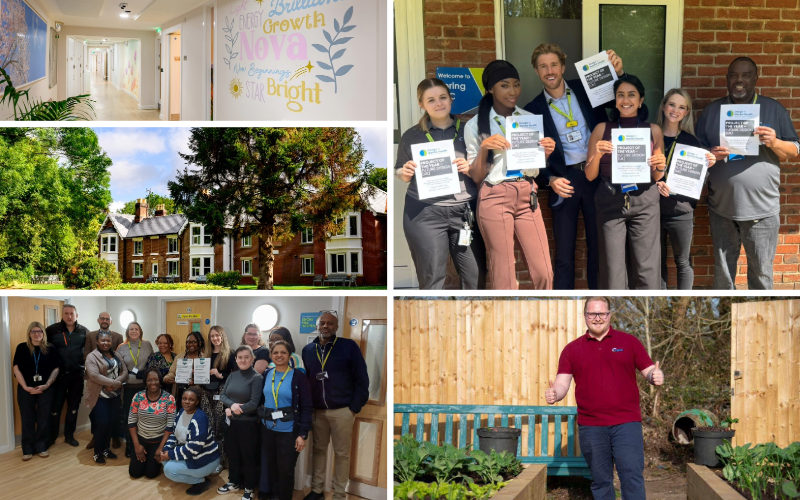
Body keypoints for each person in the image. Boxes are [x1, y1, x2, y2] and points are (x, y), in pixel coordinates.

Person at [523, 45, 625, 290]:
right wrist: (550, 180)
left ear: (563, 67)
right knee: (564, 252)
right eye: (544, 66)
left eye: (554, 65)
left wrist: (618, 75)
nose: (550, 71)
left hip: (595, 175)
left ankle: (599, 297)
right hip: (564, 181)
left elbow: (621, 101)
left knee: (598, 247)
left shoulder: (584, 89)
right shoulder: (531, 110)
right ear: (536, 71)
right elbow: (531, 158)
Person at [695, 56, 800, 289]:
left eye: (745, 75)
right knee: (723, 278)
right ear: (727, 79)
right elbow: (696, 154)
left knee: (761, 276)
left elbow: (794, 151)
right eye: (733, 75)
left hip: (762, 211)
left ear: (756, 78)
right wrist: (710, 153)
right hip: (722, 210)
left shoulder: (774, 109)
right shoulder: (712, 112)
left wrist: (773, 141)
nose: (739, 80)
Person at [546, 297, 664, 500]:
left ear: (609, 315)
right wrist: (555, 393)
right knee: (601, 481)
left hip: (626, 424)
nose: (597, 318)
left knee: (632, 477)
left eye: (602, 313)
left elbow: (648, 370)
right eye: (592, 314)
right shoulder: (572, 350)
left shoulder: (629, 342)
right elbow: (562, 383)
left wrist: (655, 375)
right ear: (585, 316)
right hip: (591, 426)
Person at [465, 59, 555, 290]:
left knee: (544, 271)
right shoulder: (475, 125)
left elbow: (533, 168)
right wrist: (485, 147)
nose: (512, 91)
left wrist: (545, 154)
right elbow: (476, 177)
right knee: (504, 276)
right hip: (494, 195)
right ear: (490, 89)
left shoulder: (528, 119)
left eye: (516, 84)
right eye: (504, 85)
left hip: (527, 195)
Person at [396, 77, 486, 289]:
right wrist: (404, 172)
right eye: (431, 100)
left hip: (465, 212)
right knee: (432, 279)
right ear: (422, 105)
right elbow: (400, 170)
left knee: (475, 278)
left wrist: (471, 167)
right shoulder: (411, 136)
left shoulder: (469, 130)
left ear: (450, 99)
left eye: (443, 97)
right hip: (424, 214)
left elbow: (485, 169)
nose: (439, 103)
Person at [585, 75, 667, 290]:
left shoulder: (654, 130)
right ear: (615, 100)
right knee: (612, 272)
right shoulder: (602, 129)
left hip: (645, 202)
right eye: (620, 95)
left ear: (641, 100)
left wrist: (660, 164)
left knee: (647, 270)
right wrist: (597, 153)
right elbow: (590, 175)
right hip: (610, 201)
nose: (625, 100)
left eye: (631, 95)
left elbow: (657, 176)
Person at [301, 312, 369, 500]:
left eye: (330, 323)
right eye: (322, 323)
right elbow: (306, 381)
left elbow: (362, 379)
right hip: (317, 412)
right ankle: (317, 490)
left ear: (336, 327)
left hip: (342, 411)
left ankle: (339, 494)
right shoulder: (307, 350)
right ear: (317, 326)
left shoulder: (348, 347)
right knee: (318, 452)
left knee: (342, 454)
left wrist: (353, 408)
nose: (326, 326)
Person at [655, 89, 717, 290]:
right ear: (664, 106)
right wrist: (654, 183)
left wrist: (707, 165)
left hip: (680, 211)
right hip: (651, 210)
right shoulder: (650, 135)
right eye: (672, 104)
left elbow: (698, 181)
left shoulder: (691, 142)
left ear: (687, 112)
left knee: (683, 263)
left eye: (681, 107)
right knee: (656, 263)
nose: (675, 110)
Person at [259, 340, 312, 500]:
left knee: (286, 469)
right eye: (275, 352)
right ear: (270, 355)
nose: (279, 355)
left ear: (289, 355)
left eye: (283, 352)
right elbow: (263, 400)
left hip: (289, 432)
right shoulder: (268, 374)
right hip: (268, 429)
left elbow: (307, 407)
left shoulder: (298, 377)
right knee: (272, 467)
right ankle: (276, 496)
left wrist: (302, 434)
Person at [217, 346, 263, 500]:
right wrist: (232, 405)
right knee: (233, 454)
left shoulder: (257, 378)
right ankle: (234, 482)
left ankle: (249, 487)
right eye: (240, 357)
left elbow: (254, 403)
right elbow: (223, 396)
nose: (243, 360)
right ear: (236, 359)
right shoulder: (232, 375)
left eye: (246, 357)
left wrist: (236, 408)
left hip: (248, 424)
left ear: (252, 359)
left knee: (248, 456)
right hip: (231, 422)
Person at [13, 321, 61, 460]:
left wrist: (46, 385)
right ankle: (27, 449)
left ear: (43, 334)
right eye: (34, 331)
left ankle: (41, 446)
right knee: (27, 418)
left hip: (45, 389)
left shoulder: (50, 348)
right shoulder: (22, 348)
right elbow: (16, 368)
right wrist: (25, 387)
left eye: (39, 331)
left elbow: (56, 368)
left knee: (43, 418)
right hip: (25, 389)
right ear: (29, 333)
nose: (37, 334)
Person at [162, 387, 221, 496]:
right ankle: (196, 475)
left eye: (191, 399)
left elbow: (194, 448)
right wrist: (166, 450)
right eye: (184, 398)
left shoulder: (200, 418)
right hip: (192, 454)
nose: (187, 402)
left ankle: (201, 481)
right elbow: (174, 434)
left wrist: (170, 454)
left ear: (197, 402)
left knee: (169, 470)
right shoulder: (181, 412)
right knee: (163, 458)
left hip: (205, 458)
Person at [45, 304, 90, 447]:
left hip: (77, 376)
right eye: (66, 313)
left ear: (76, 315)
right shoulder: (51, 330)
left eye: (72, 313)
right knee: (55, 408)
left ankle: (69, 436)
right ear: (62, 315)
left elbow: (89, 352)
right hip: (58, 376)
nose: (69, 316)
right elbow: (44, 350)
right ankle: (51, 437)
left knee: (73, 407)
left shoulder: (85, 331)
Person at [84, 331, 128, 464]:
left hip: (114, 396)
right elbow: (94, 375)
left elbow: (124, 371)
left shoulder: (116, 354)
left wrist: (116, 384)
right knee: (101, 424)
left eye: (108, 340)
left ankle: (106, 449)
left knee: (110, 423)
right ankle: (97, 452)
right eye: (102, 340)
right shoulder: (92, 357)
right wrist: (115, 384)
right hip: (99, 396)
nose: (105, 343)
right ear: (97, 342)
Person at [128, 368, 176, 480]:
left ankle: (156, 462)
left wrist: (161, 447)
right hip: (141, 440)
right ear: (145, 381)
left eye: (156, 379)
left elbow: (170, 425)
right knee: (134, 473)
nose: (153, 383)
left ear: (160, 381)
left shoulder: (169, 398)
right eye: (149, 380)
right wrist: (136, 445)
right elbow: (131, 421)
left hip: (158, 441)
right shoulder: (138, 396)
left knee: (150, 474)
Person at [200, 325, 236, 472]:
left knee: (220, 426)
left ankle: (220, 459)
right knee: (208, 425)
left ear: (222, 336)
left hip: (222, 392)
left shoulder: (230, 354)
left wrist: (221, 375)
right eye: (212, 336)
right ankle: (208, 456)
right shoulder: (205, 354)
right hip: (205, 392)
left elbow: (235, 375)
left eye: (217, 335)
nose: (215, 338)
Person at [117, 321, 154, 458]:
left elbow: (152, 363)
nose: (133, 331)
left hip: (145, 388)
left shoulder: (147, 344)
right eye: (131, 329)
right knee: (129, 417)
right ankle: (130, 445)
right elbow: (120, 368)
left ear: (140, 331)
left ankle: (145, 443)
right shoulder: (121, 348)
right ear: (127, 332)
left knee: (145, 416)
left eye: (136, 329)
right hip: (129, 388)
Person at [164, 331, 205, 403]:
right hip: (181, 392)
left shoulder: (205, 358)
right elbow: (172, 372)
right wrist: (167, 378)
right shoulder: (179, 357)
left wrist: (196, 381)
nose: (190, 344)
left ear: (200, 343)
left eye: (194, 342)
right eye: (188, 342)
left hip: (199, 394)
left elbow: (207, 377)